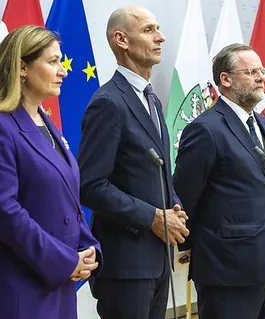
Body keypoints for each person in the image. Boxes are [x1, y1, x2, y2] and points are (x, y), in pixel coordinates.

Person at [0, 25, 100, 319]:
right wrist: (64, 260)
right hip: (13, 289)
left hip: (54, 283)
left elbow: (65, 197)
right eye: (53, 61)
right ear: (22, 67)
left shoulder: (43, 121)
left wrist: (88, 247)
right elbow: (1, 210)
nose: (63, 71)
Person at [76, 6, 189, 319]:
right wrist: (151, 216)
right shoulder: (108, 103)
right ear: (121, 40)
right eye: (149, 30)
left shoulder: (151, 98)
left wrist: (174, 208)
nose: (161, 37)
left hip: (156, 258)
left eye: (158, 29)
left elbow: (154, 173)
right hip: (125, 264)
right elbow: (89, 184)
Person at [173, 43, 265, 319]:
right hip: (227, 269)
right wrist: (191, 243)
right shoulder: (205, 128)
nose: (262, 77)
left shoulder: (263, 123)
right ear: (225, 79)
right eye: (251, 72)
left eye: (262, 70)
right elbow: (185, 194)